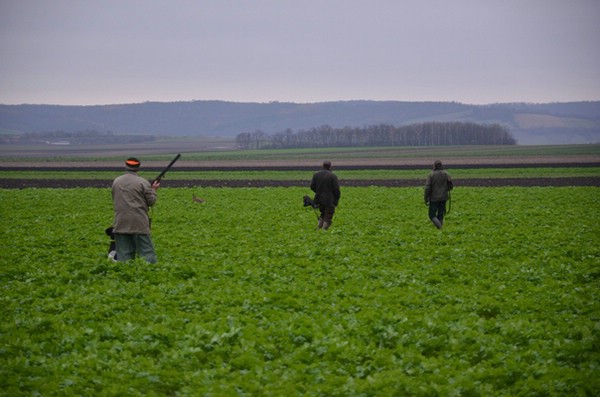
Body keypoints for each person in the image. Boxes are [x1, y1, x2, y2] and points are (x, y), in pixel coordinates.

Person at [111, 157, 160, 263]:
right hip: (139, 222)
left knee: (124, 254)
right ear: (138, 168)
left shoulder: (116, 181)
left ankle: (125, 275)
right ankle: (150, 272)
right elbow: (151, 201)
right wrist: (154, 190)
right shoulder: (143, 182)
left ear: (126, 166)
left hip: (120, 221)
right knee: (147, 253)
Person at [310, 160, 341, 230]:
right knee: (328, 216)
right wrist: (336, 199)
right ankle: (323, 231)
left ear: (323, 166)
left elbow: (312, 186)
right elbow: (336, 189)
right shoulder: (332, 176)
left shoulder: (316, 174)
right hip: (329, 200)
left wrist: (318, 192)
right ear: (330, 166)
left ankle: (319, 229)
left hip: (319, 199)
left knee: (322, 214)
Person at [424, 160, 453, 229]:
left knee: (432, 215)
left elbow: (427, 188)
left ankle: (440, 228)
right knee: (440, 215)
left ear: (434, 166)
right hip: (443, 198)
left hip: (434, 198)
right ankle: (440, 230)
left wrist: (426, 198)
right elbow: (451, 187)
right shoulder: (446, 174)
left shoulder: (431, 175)